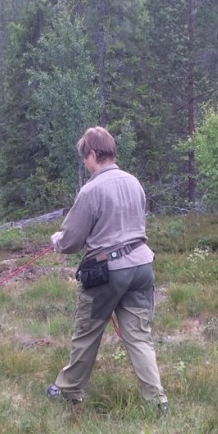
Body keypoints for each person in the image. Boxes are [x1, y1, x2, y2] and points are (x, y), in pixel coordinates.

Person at [47, 126, 168, 414]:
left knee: (87, 332)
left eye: (85, 158)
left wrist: (55, 240)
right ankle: (156, 401)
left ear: (92, 154)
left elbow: (71, 241)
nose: (85, 164)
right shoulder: (134, 182)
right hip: (141, 267)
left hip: (106, 272)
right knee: (139, 336)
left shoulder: (91, 190)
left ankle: (68, 390)